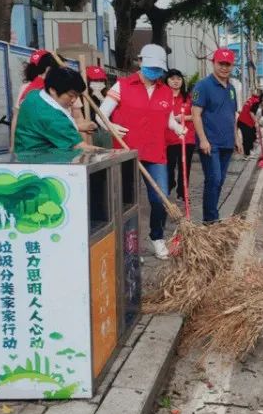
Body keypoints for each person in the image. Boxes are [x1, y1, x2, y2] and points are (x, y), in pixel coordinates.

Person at [98, 44, 186, 260]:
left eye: (158, 69)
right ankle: (129, 245)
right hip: (126, 152)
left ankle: (157, 238)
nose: (155, 72)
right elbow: (101, 114)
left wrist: (177, 128)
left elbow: (167, 118)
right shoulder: (122, 86)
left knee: (160, 198)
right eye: (151, 67)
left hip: (155, 153)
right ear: (140, 62)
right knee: (127, 202)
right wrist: (110, 126)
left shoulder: (165, 91)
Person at [192, 48, 243, 223]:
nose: (224, 68)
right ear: (213, 63)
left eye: (228, 64)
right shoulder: (203, 86)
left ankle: (211, 215)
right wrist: (203, 140)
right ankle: (210, 220)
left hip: (227, 142)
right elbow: (196, 114)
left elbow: (232, 115)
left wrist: (236, 138)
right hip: (210, 143)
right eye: (221, 63)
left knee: (219, 181)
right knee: (214, 179)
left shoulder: (231, 88)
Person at [13, 66, 98, 154]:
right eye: (71, 95)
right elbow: (81, 147)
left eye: (77, 96)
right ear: (53, 90)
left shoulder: (33, 95)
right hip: (41, 158)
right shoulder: (53, 117)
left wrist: (78, 127)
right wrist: (107, 153)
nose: (74, 100)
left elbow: (45, 127)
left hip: (22, 152)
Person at [10, 49, 58, 151]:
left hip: (29, 143)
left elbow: (16, 118)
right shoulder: (53, 88)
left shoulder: (26, 87)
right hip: (47, 143)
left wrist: (13, 145)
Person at [165, 69, 196, 203]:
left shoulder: (189, 97)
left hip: (186, 138)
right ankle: (169, 183)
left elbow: (196, 115)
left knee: (185, 166)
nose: (176, 81)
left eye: (178, 78)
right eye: (172, 79)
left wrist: (183, 117)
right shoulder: (163, 96)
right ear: (167, 80)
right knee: (169, 166)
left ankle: (182, 193)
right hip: (168, 138)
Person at [85, 65, 112, 149]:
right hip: (90, 133)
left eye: (101, 80)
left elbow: (110, 116)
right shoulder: (82, 97)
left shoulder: (108, 96)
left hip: (106, 132)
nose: (98, 83)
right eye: (95, 80)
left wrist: (102, 99)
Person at [237, 90, 263, 158]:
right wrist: (256, 122)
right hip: (245, 122)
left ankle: (249, 152)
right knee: (247, 138)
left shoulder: (251, 99)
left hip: (242, 120)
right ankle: (246, 155)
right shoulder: (256, 101)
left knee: (251, 136)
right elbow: (251, 112)